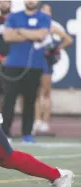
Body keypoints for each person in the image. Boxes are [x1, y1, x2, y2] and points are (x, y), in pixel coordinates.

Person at [1, 0, 51, 143]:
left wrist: (20, 30)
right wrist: (31, 34)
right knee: (9, 100)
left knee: (30, 100)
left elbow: (41, 35)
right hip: (13, 65)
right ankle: (5, 133)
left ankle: (26, 134)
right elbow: (7, 36)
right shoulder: (13, 16)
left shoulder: (44, 17)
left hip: (34, 65)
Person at [33, 3, 73, 134]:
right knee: (35, 93)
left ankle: (45, 121)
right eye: (43, 10)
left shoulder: (51, 27)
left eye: (48, 11)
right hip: (34, 62)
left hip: (45, 62)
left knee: (46, 92)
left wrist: (57, 49)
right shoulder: (34, 25)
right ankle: (37, 120)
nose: (45, 13)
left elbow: (68, 39)